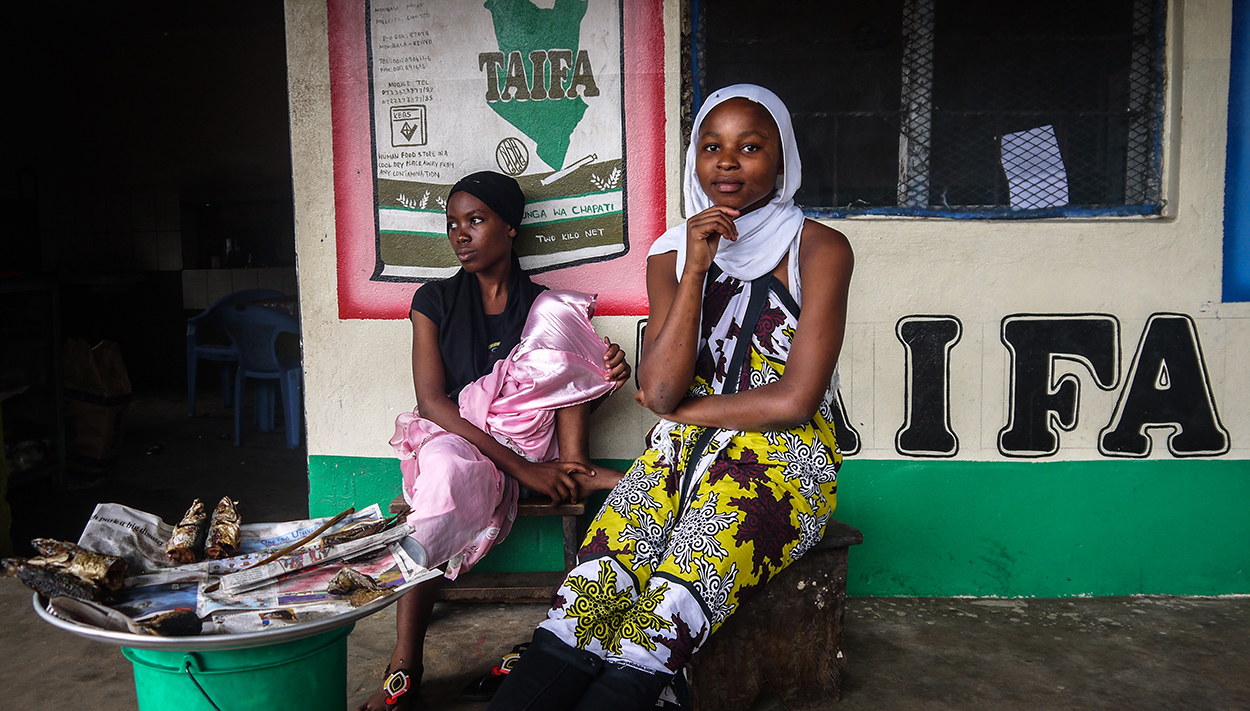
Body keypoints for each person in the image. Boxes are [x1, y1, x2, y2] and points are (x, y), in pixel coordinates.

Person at [487, 84, 854, 711]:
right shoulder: (671, 253)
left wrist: (683, 413)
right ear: (694, 160)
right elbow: (658, 387)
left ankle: (648, 686)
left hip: (785, 464)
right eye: (712, 147)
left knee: (667, 608)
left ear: (783, 159)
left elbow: (795, 400)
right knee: (590, 599)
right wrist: (696, 269)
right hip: (675, 462)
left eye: (751, 147)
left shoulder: (820, 249)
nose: (728, 162)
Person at [359, 171, 632, 711]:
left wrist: (603, 374)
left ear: (510, 227)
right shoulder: (432, 300)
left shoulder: (546, 306)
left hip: (532, 440)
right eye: (453, 224)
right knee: (444, 473)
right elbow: (434, 403)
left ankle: (575, 466)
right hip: (457, 436)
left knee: (565, 326)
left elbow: (552, 391)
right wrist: (523, 471)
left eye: (476, 220)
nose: (461, 235)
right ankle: (404, 662)